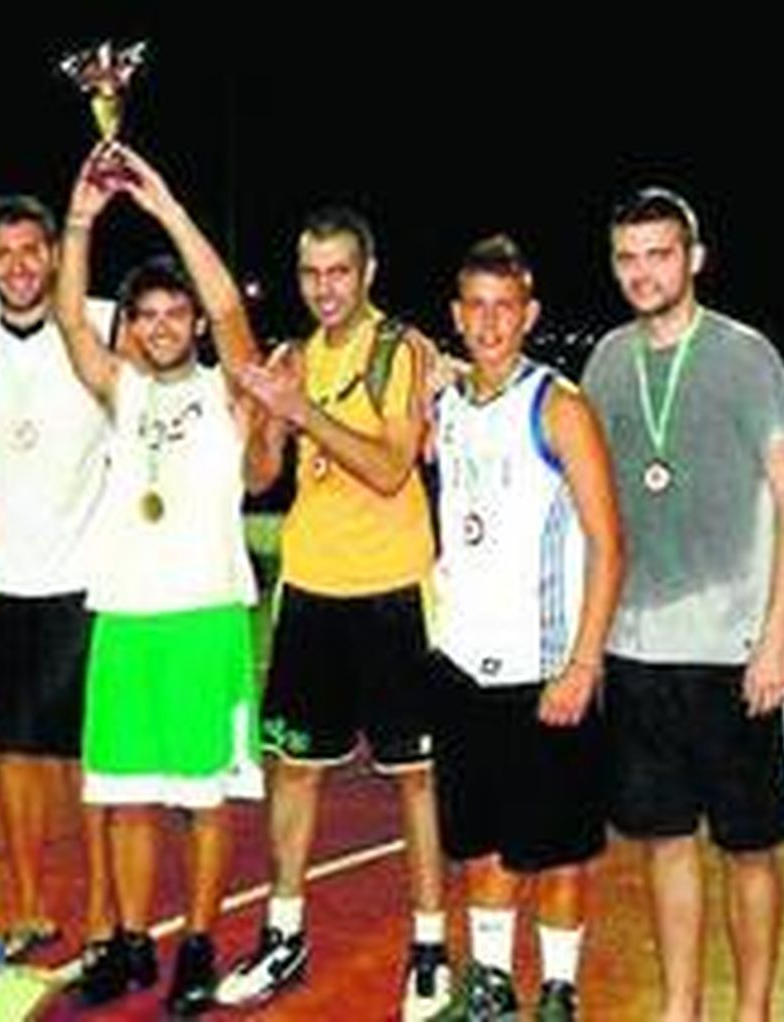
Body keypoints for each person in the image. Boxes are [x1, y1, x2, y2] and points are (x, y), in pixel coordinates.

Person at [580, 187, 784, 1021]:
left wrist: (776, 636)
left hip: (732, 650)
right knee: (665, 841)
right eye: (628, 257)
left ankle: (750, 1012)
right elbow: (591, 502)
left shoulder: (748, 357)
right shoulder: (606, 360)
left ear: (695, 258)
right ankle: (681, 1009)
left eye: (660, 254)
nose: (643, 272)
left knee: (749, 849)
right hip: (638, 652)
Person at [219, 208, 452, 1021]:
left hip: (392, 588)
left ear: (368, 271)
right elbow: (259, 479)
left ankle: (431, 948)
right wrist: (260, 417)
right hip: (311, 587)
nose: (324, 289)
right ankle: (284, 933)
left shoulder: (401, 349)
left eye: (339, 272)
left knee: (415, 778)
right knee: (297, 769)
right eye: (311, 273)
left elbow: (392, 469)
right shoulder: (290, 356)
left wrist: (306, 411)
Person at [55, 142, 265, 1016]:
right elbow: (71, 320)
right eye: (149, 314)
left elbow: (226, 304)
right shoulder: (123, 392)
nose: (167, 325)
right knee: (129, 797)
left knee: (204, 803)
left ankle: (200, 946)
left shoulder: (230, 389)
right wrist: (80, 219)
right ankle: (134, 941)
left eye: (177, 313)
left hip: (206, 619)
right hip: (126, 621)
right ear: (133, 326)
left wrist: (169, 209)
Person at [428, 236, 623, 1020]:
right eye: (474, 306)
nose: (489, 322)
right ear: (455, 314)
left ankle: (559, 988)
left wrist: (581, 665)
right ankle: (491, 984)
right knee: (480, 847)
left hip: (546, 673)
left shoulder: (559, 407)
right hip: (463, 667)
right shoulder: (440, 407)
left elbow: (610, 543)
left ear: (529, 314)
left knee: (557, 850)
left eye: (504, 307)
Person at [0, 195, 116, 959]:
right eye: (2, 254)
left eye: (30, 250)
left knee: (91, 758)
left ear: (54, 254)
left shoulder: (106, 322)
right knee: (13, 755)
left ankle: (108, 915)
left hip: (85, 581)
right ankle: (27, 908)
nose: (18, 266)